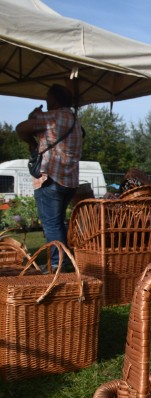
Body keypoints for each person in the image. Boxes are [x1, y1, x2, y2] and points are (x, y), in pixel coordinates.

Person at [16, 84, 82, 271]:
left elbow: (20, 128)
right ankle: (63, 261)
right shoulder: (74, 120)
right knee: (58, 223)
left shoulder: (51, 117)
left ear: (54, 99)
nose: (46, 101)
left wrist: (32, 140)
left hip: (50, 178)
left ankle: (57, 264)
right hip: (70, 181)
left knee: (51, 225)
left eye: (48, 97)